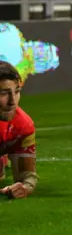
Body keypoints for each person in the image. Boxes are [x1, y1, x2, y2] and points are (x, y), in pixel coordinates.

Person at [0, 61, 38, 200]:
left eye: (16, 92)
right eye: (4, 93)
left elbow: (27, 176)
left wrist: (24, 188)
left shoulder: (23, 125)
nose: (13, 101)